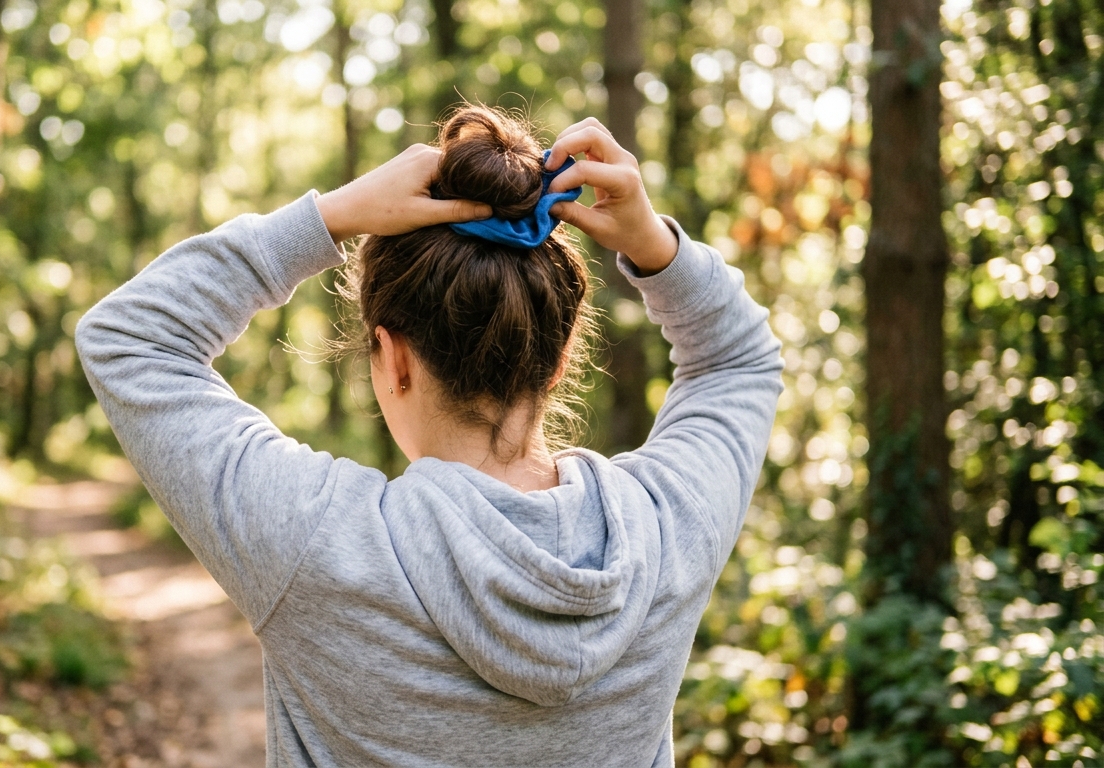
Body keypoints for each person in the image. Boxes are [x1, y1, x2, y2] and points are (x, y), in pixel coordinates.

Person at [76, 105, 783, 767]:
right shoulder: (664, 532)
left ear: (396, 358)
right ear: (563, 355)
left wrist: (332, 215)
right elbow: (739, 359)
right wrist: (653, 243)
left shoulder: (315, 540)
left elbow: (131, 337)